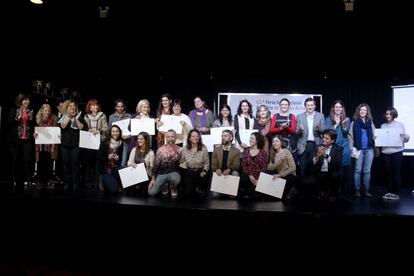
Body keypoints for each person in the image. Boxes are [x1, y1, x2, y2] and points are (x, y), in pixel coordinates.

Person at [304, 130, 343, 201]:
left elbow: (338, 163)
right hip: (319, 172)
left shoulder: (338, 149)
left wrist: (325, 155)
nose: (324, 140)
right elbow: (309, 163)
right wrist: (317, 157)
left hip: (331, 173)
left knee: (335, 177)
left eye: (327, 138)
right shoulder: (317, 147)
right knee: (308, 183)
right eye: (323, 137)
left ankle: (331, 195)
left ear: (333, 140)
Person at [7, 93, 35, 192]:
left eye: (28, 100)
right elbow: (9, 123)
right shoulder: (14, 110)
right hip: (16, 139)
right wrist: (17, 117)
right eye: (25, 100)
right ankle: (14, 180)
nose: (27, 102)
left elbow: (32, 125)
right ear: (20, 101)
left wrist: (31, 121)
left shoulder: (30, 111)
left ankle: (28, 180)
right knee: (15, 160)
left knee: (27, 159)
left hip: (27, 139)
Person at [380, 107, 410, 200]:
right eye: (387, 114)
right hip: (385, 152)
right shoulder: (383, 126)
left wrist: (406, 136)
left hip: (397, 152)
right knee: (388, 173)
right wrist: (376, 138)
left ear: (394, 115)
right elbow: (381, 139)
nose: (388, 115)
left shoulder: (399, 124)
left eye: (390, 114)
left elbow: (406, 139)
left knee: (396, 173)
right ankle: (389, 191)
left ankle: (396, 193)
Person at [59, 100, 88, 191]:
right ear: (67, 108)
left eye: (74, 106)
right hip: (65, 145)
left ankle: (76, 183)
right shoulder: (63, 117)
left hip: (76, 145)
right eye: (70, 106)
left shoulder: (80, 117)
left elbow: (82, 127)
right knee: (66, 164)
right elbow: (63, 126)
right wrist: (69, 116)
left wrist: (75, 119)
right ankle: (68, 183)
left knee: (75, 164)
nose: (72, 108)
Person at [325, 100, 352, 195]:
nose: (338, 109)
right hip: (333, 146)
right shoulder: (328, 119)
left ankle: (343, 190)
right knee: (333, 166)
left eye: (340, 107)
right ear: (333, 108)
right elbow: (328, 132)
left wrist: (342, 122)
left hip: (344, 145)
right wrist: (336, 123)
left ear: (342, 108)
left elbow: (345, 131)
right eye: (336, 107)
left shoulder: (346, 119)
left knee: (344, 167)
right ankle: (333, 190)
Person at [349, 103, 376, 198]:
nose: (362, 111)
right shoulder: (354, 122)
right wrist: (352, 149)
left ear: (367, 111)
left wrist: (375, 137)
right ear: (358, 111)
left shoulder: (370, 122)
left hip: (369, 149)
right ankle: (357, 190)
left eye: (364, 110)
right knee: (357, 170)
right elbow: (350, 137)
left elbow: (374, 134)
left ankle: (366, 190)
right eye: (361, 110)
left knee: (367, 171)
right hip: (358, 149)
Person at [296, 97, 326, 179]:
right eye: (308, 105)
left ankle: (314, 190)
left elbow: (323, 130)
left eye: (311, 105)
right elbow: (297, 133)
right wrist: (300, 130)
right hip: (303, 145)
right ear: (305, 106)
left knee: (315, 169)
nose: (310, 107)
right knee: (303, 169)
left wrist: (318, 128)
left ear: (315, 106)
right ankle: (303, 190)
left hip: (316, 145)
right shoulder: (299, 116)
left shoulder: (320, 115)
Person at [148, 129, 182, 197]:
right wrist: (153, 179)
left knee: (176, 179)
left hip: (174, 173)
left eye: (172, 136)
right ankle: (164, 185)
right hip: (161, 173)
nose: (170, 138)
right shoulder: (160, 150)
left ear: (175, 137)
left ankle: (173, 187)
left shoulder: (180, 149)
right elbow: (156, 165)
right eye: (168, 137)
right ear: (166, 137)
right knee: (151, 192)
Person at [83, 99, 108, 189]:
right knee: (89, 162)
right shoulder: (86, 116)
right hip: (89, 141)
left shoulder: (102, 115)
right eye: (93, 105)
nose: (95, 107)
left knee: (98, 162)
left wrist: (99, 130)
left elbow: (106, 128)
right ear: (89, 107)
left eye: (96, 105)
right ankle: (88, 183)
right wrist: (89, 130)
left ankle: (97, 183)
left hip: (100, 140)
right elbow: (84, 128)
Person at [33, 103, 58, 189]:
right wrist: (34, 134)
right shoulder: (37, 120)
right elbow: (35, 132)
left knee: (49, 162)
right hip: (40, 145)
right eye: (45, 110)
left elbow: (55, 133)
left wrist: (58, 137)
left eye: (48, 110)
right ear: (42, 111)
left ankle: (48, 181)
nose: (47, 112)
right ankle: (40, 181)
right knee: (40, 162)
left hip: (50, 145)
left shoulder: (53, 120)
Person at [180, 129, 210, 199]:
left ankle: (199, 187)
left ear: (199, 138)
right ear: (189, 138)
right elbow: (181, 161)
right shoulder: (185, 148)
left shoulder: (203, 147)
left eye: (197, 136)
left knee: (199, 194)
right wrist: (182, 164)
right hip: (189, 172)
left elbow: (207, 162)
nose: (195, 138)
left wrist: (204, 170)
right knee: (188, 193)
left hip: (200, 171)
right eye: (193, 136)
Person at [267, 135, 298, 200]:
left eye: (277, 141)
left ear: (281, 142)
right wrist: (280, 160)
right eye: (273, 142)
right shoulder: (273, 153)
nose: (275, 143)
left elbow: (293, 167)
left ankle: (292, 190)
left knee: (281, 196)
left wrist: (280, 175)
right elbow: (270, 168)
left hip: (289, 175)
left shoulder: (286, 151)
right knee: (267, 172)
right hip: (279, 175)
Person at [240, 132, 268, 199]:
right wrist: (250, 175)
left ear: (257, 140)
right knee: (243, 178)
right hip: (248, 177)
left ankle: (249, 192)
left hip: (258, 178)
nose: (250, 140)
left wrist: (257, 179)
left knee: (256, 196)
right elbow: (244, 165)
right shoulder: (246, 151)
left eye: (252, 138)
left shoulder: (262, 152)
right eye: (250, 138)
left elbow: (264, 168)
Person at [269, 98, 298, 163]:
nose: (284, 106)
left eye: (286, 104)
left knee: (288, 162)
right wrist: (281, 128)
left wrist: (286, 127)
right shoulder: (275, 116)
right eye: (282, 104)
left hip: (289, 142)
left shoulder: (292, 116)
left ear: (288, 106)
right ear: (280, 106)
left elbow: (293, 131)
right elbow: (271, 130)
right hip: (277, 142)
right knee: (276, 162)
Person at [99, 125, 124, 194]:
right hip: (106, 170)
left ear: (119, 132)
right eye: (113, 131)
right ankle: (102, 180)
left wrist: (118, 158)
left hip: (115, 169)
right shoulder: (104, 143)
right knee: (114, 190)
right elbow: (99, 157)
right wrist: (107, 157)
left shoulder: (121, 143)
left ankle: (113, 182)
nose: (115, 133)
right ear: (110, 132)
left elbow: (121, 158)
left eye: (117, 131)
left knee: (122, 169)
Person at [108, 99, 131, 167]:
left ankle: (123, 168)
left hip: (125, 140)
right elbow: (109, 129)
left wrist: (128, 136)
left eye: (122, 106)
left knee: (123, 162)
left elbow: (132, 131)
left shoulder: (129, 116)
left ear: (124, 107)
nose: (120, 108)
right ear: (116, 107)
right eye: (118, 106)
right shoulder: (111, 117)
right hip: (116, 141)